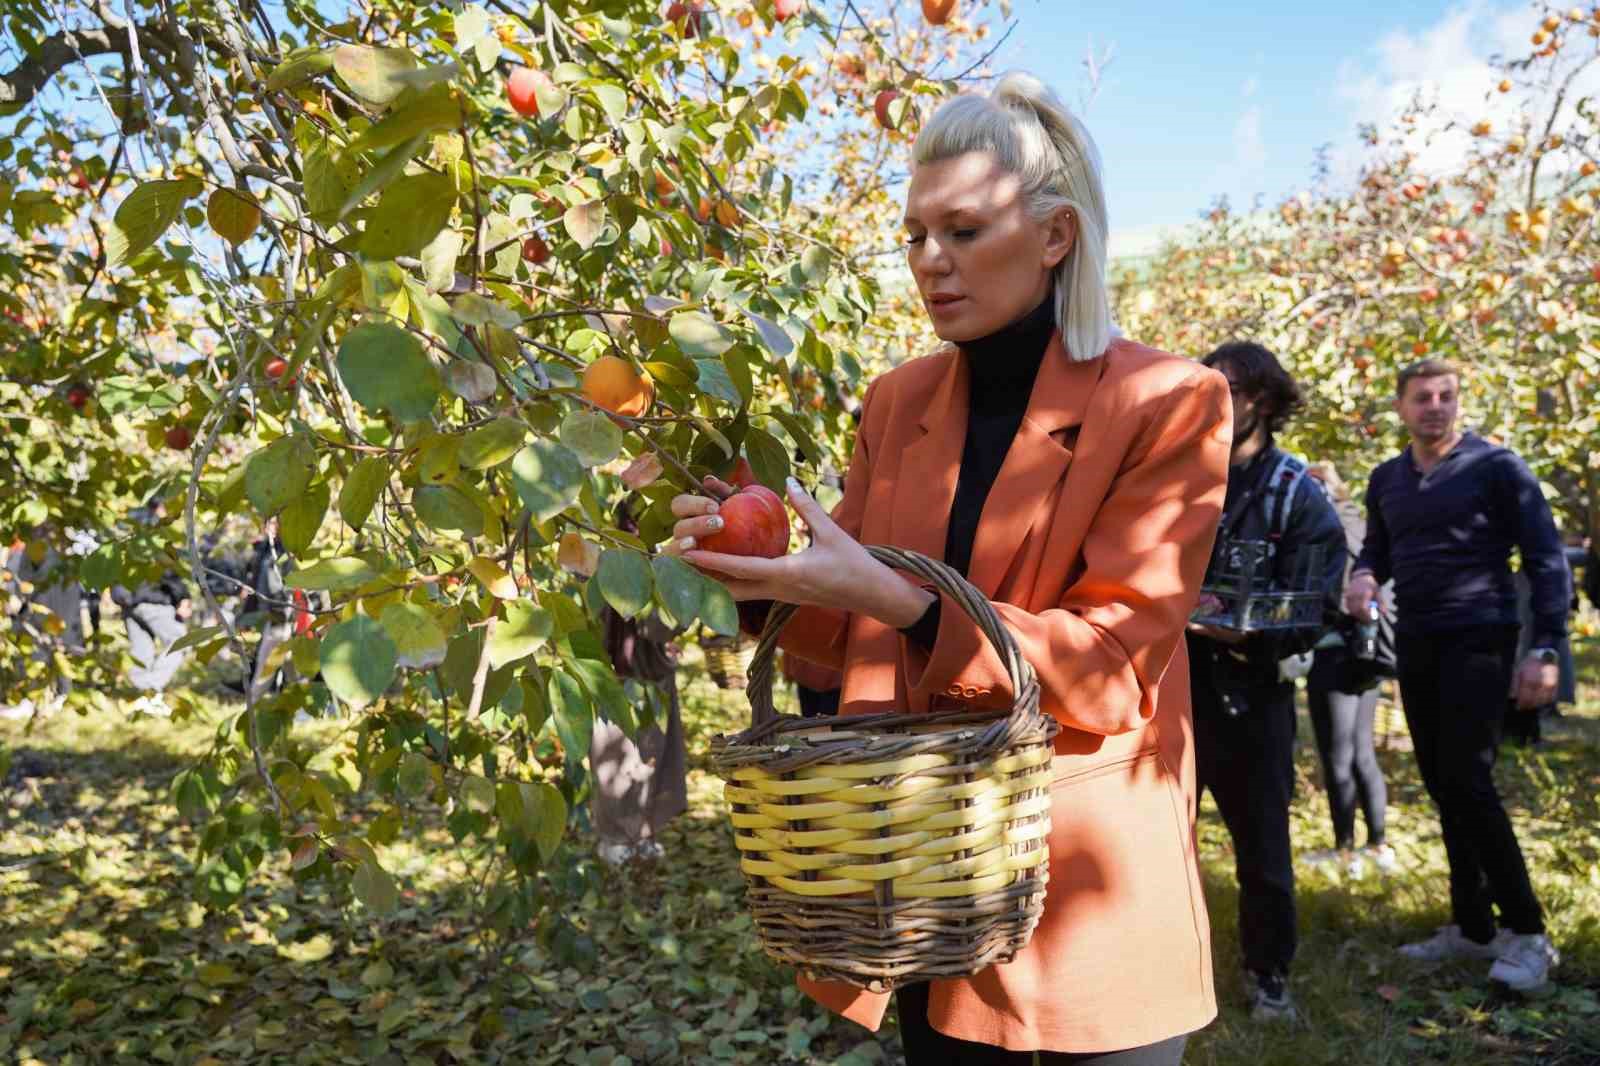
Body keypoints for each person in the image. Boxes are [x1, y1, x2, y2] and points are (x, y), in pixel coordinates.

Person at [669, 72, 1230, 1064]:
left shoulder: (1166, 401)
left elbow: (1108, 661)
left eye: (963, 231)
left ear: (1054, 235)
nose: (931, 261)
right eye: (915, 236)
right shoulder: (898, 401)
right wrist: (755, 572)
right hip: (924, 879)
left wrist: (896, 599)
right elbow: (842, 626)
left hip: (1072, 886)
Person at [1345, 358, 1567, 992]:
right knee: (1443, 783)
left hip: (1483, 637)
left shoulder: (1497, 467)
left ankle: (1527, 934)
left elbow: (1547, 558)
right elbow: (1377, 549)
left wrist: (1545, 648)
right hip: (1417, 642)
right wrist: (1364, 575)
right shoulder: (1387, 478)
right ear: (1402, 407)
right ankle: (1472, 927)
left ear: (1458, 404)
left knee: (1468, 780)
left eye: (1445, 396)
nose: (1434, 405)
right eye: (1422, 397)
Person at [1184, 342, 1345, 1021]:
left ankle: (1269, 974)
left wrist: (1237, 624)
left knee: (1262, 845)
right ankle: (1166, 968)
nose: (1215, 401)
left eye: (1231, 390)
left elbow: (1314, 609)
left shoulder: (1296, 496)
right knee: (1159, 837)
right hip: (1171, 691)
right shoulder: (1176, 482)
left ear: (1266, 403)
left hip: (1251, 695)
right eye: (1207, 387)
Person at [1299, 461, 1394, 879]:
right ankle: (1378, 844)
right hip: (1367, 653)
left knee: (1338, 759)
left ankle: (1345, 851)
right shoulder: (1360, 526)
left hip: (1336, 653)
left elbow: (1335, 596)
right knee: (1362, 754)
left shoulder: (1324, 531)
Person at [591, 501, 688, 866]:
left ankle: (643, 832)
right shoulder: (610, 561)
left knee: (650, 755)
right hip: (618, 673)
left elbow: (660, 623)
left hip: (647, 671)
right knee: (617, 758)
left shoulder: (654, 559)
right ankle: (617, 838)